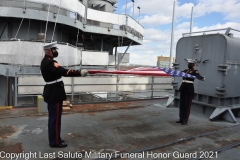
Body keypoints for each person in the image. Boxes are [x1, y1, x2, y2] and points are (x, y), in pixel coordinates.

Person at [40, 41, 88, 148]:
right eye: (54, 50)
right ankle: (55, 142)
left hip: (51, 93)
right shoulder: (51, 62)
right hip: (55, 94)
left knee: (53, 119)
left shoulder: (44, 61)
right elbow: (64, 71)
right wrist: (80, 73)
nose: (55, 51)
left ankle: (55, 139)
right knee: (55, 120)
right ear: (49, 51)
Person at [176, 59, 205, 125]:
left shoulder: (195, 71)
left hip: (189, 89)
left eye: (191, 64)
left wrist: (202, 78)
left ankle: (185, 120)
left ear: (194, 65)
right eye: (189, 63)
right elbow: (179, 73)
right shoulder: (185, 70)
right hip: (183, 88)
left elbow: (198, 76)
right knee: (182, 105)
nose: (189, 65)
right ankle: (180, 118)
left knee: (187, 105)